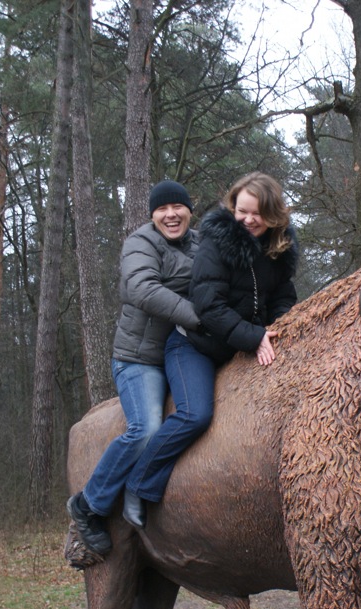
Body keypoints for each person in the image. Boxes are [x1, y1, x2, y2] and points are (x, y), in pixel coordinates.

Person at [120, 171, 299, 528]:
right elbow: (208, 305)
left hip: (242, 344)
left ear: (274, 215)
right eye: (241, 210)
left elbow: (282, 296)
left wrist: (280, 326)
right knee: (195, 414)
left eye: (256, 213)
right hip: (194, 347)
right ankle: (138, 484)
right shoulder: (216, 244)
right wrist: (254, 337)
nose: (247, 219)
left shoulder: (278, 250)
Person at [67, 179, 199, 556]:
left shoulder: (201, 242)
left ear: (190, 210)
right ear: (152, 214)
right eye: (162, 209)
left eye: (178, 207)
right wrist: (199, 317)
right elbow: (142, 288)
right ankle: (88, 504)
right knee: (145, 429)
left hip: (183, 352)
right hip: (139, 360)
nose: (171, 214)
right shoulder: (139, 244)